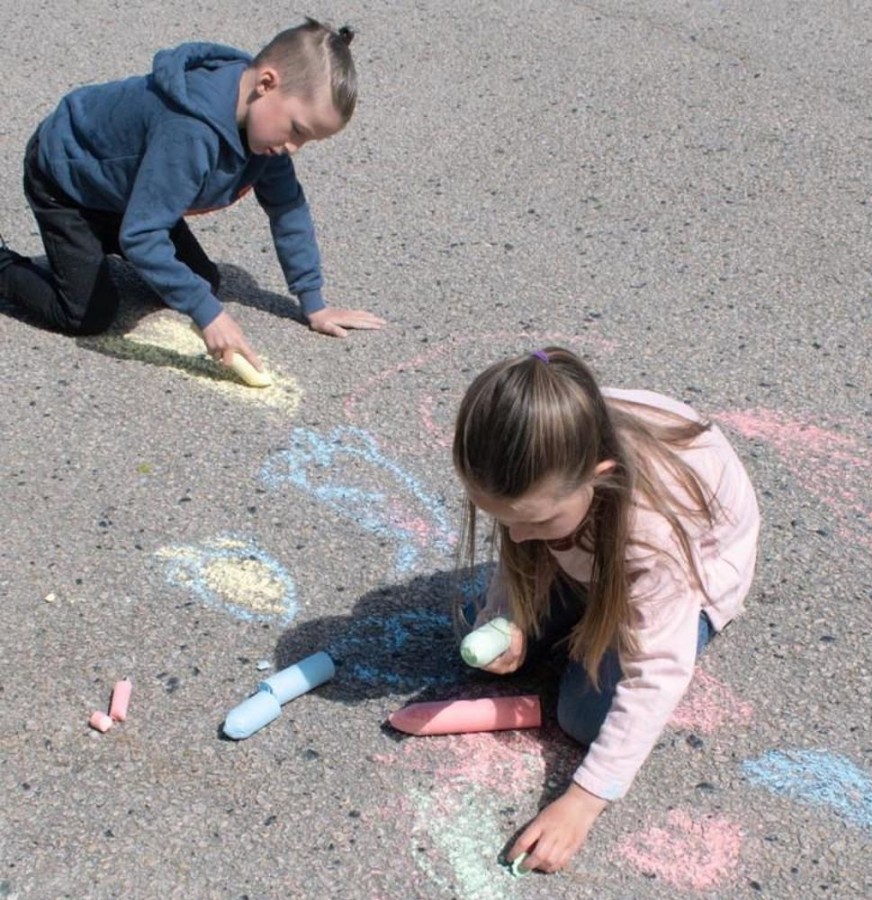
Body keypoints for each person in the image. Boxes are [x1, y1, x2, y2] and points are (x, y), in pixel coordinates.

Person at [452, 346, 760, 874]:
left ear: (599, 476)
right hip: (593, 550)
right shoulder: (540, 457)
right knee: (477, 632)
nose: (519, 536)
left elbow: (657, 674)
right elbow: (522, 537)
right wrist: (510, 613)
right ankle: (573, 618)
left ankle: (592, 624)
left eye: (538, 522)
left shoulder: (652, 536)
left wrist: (582, 802)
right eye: (504, 520)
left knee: (582, 716)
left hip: (693, 572)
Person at [0, 19, 384, 372]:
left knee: (201, 280)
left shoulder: (268, 133)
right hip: (67, 180)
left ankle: (112, 233)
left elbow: (287, 209)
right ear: (266, 84)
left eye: (307, 140)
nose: (294, 147)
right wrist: (209, 316)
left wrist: (313, 302)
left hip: (124, 186)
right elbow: (143, 237)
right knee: (87, 314)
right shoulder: (190, 133)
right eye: (297, 130)